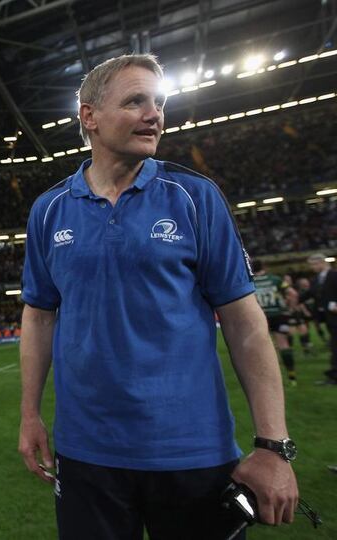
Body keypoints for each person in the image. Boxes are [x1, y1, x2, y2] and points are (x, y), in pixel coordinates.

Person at [18, 54, 298, 539]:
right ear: (90, 117)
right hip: (86, 455)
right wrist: (29, 415)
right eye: (135, 101)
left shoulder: (194, 197)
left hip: (193, 453)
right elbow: (39, 317)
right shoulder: (49, 210)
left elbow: (244, 322)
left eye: (159, 103)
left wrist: (273, 446)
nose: (155, 115)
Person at [252, 260, 297, 386]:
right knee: (283, 343)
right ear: (264, 267)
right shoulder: (275, 279)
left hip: (261, 316)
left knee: (267, 347)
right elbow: (293, 294)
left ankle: (274, 380)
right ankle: (292, 376)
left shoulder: (251, 281)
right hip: (278, 315)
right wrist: (290, 308)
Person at [305, 253, 337, 384]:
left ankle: (334, 374)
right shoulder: (317, 278)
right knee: (334, 344)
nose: (312, 267)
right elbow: (311, 293)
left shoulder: (334, 275)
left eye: (313, 264)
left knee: (335, 345)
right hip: (328, 317)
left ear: (321, 263)